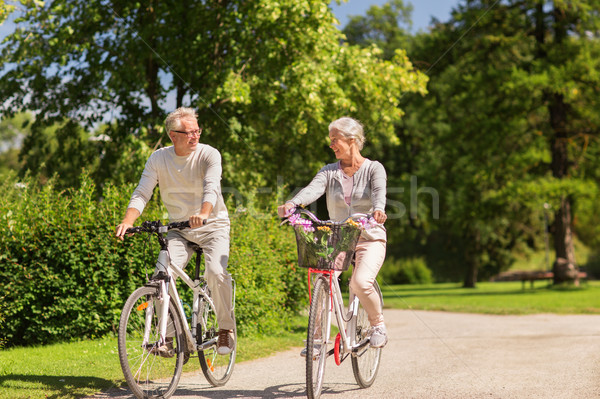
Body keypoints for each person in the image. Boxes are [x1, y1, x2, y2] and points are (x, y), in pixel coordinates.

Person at [116, 107, 235, 355]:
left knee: (215, 271)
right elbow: (142, 192)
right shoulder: (159, 158)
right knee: (161, 275)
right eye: (189, 132)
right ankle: (167, 336)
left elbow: (211, 187)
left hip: (212, 226)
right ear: (173, 135)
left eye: (197, 131)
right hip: (179, 230)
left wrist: (203, 213)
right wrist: (128, 220)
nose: (195, 136)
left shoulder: (209, 154)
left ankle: (226, 329)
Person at [278, 116, 388, 348]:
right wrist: (293, 203)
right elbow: (312, 190)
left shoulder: (373, 168)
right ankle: (317, 337)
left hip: (369, 237)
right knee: (324, 279)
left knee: (360, 282)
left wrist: (378, 209)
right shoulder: (329, 172)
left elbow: (379, 193)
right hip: (338, 239)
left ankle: (377, 324)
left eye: (335, 140)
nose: (331, 145)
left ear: (351, 140)